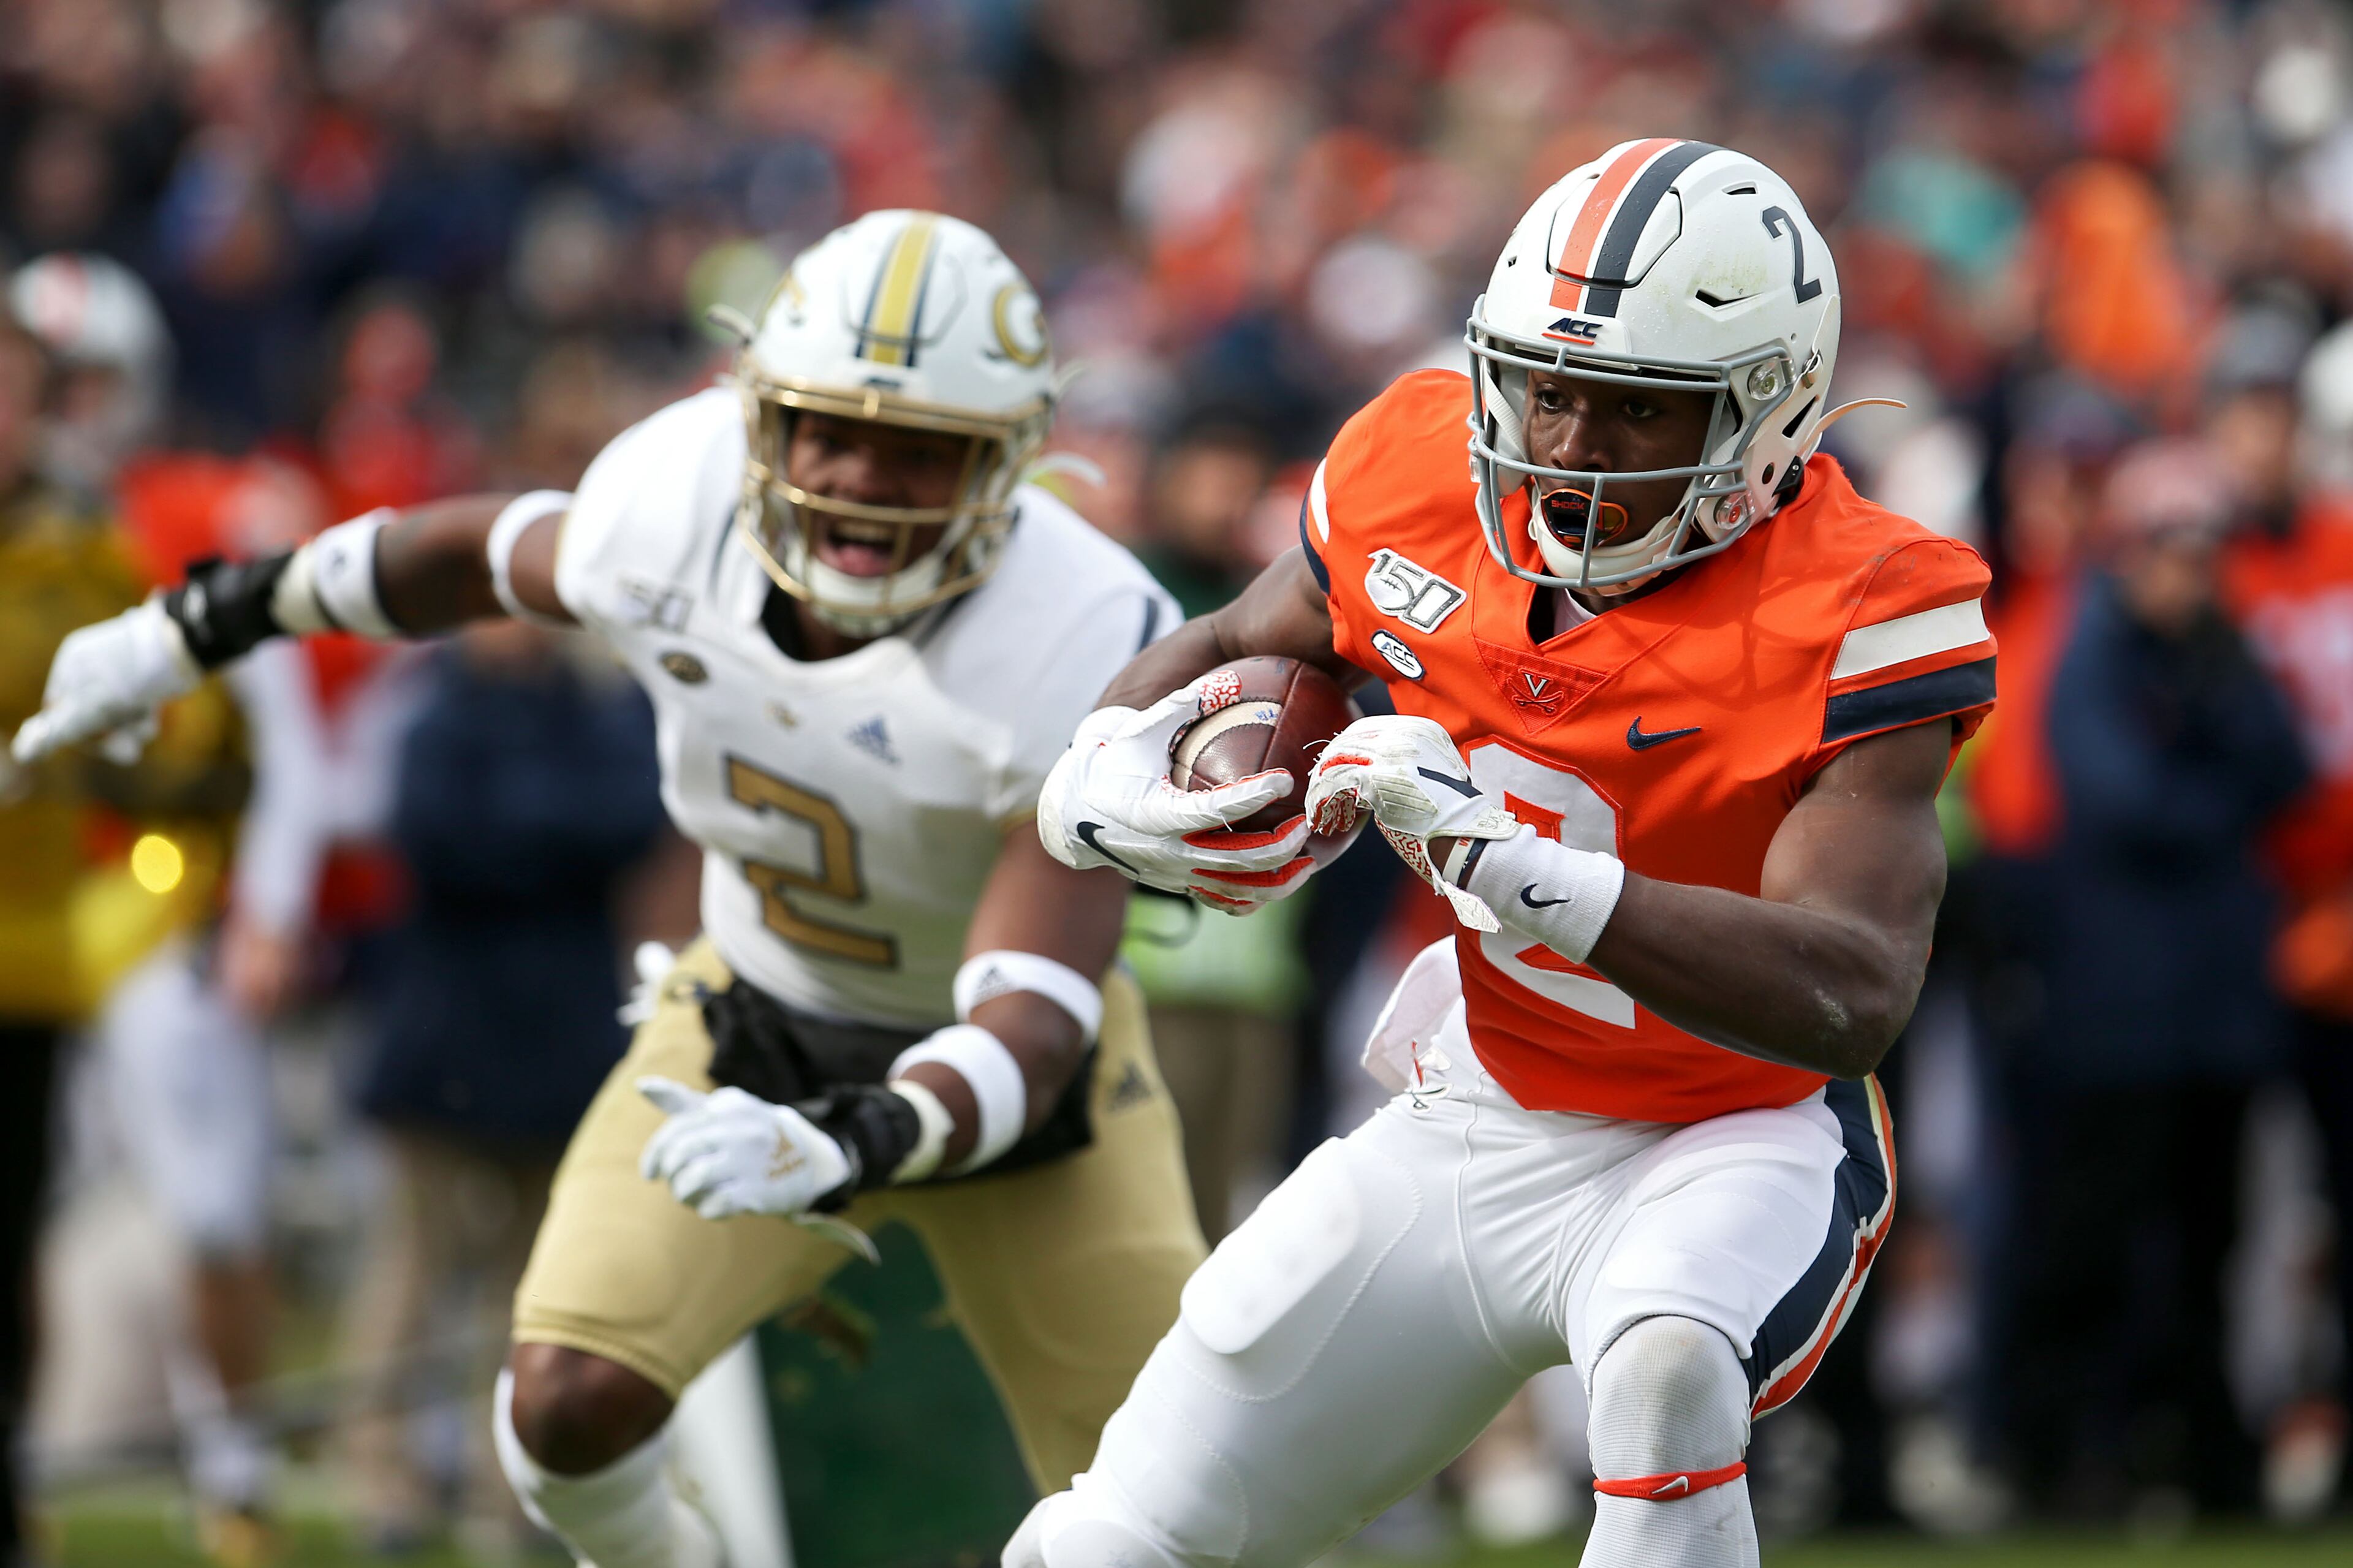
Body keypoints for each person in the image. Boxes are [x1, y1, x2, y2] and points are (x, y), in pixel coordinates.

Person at [12, 210, 1205, 1568]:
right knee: (562, 1414)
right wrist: (198, 622)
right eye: (830, 430)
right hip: (754, 1010)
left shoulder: (1086, 635)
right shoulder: (674, 503)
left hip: (1011, 1098)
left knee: (1177, 1508)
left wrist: (853, 1137)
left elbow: (1033, 1024)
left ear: (1009, 463)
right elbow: (465, 555)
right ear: (762, 419)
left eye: (924, 448)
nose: (866, 481)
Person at [1025, 139, 1996, 1568]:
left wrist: (1516, 864)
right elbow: (1237, 642)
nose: (1565, 444)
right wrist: (1107, 758)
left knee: (1667, 1368)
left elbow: (1850, 988)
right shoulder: (1415, 473)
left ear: (1766, 413)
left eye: (1629, 409)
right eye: (1546, 386)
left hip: (1734, 1131)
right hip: (1485, 1105)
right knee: (1114, 1538)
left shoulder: (1866, 600)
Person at [1999, 438, 2305, 1515]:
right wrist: (2217, 791)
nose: (2194, 568)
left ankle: (2203, 1457)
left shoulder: (2224, 657)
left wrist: (2212, 757)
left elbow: (2287, 767)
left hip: (2214, 1011)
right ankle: (2061, 1455)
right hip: (2116, 1010)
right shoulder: (2094, 654)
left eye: (2206, 546)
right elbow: (2128, 801)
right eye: (2175, 545)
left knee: (2211, 1243)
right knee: (2091, 1240)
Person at [338, 618, 662, 1554]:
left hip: (561, 1038)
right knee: (411, 1269)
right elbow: (432, 835)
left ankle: (505, 1490)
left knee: (534, 1285)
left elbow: (631, 816)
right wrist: (542, 835)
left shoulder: (598, 708)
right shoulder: (429, 707)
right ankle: (383, 1482)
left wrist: (521, 828)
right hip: (442, 1035)